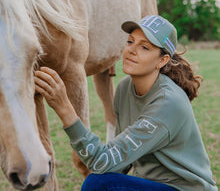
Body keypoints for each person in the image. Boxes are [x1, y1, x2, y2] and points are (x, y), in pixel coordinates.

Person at [34, 15, 217, 191]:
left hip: (182, 188)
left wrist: (64, 108)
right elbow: (118, 161)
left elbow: (103, 160)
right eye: (130, 41)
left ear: (162, 60)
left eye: (144, 47)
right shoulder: (124, 88)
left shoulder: (168, 103)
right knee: (100, 180)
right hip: (151, 184)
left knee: (97, 184)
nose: (132, 50)